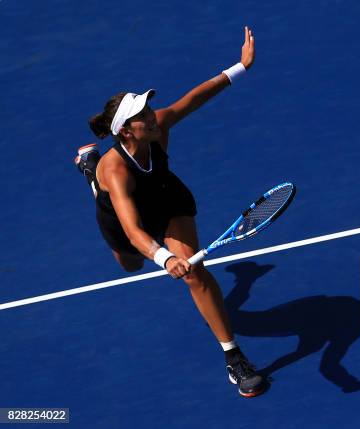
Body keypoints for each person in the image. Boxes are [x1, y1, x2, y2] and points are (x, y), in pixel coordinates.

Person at [75, 27, 265, 398]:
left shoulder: (156, 126)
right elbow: (133, 232)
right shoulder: (117, 168)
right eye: (140, 114)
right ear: (126, 132)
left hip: (165, 199)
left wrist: (241, 66)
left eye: (146, 107)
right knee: (129, 262)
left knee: (195, 273)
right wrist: (162, 259)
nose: (150, 114)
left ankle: (234, 358)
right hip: (123, 214)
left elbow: (194, 98)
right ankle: (91, 174)